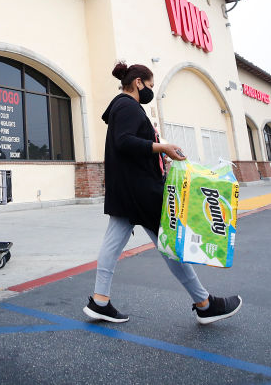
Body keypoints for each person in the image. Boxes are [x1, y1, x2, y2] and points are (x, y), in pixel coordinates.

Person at [83, 62, 243, 325]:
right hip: (141, 191)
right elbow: (125, 142)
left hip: (127, 191)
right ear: (138, 82)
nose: (150, 91)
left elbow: (128, 146)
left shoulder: (120, 107)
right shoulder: (128, 106)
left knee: (112, 246)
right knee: (171, 246)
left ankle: (100, 301)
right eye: (150, 86)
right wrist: (163, 147)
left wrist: (159, 154)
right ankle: (204, 304)